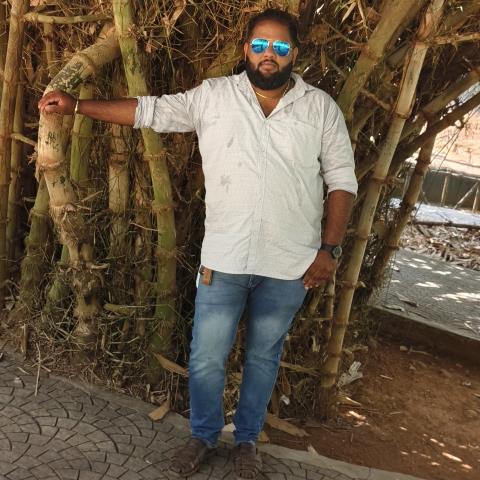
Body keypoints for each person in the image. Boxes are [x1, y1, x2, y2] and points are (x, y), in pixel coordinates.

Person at [38, 8, 357, 479]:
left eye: (280, 47)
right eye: (260, 45)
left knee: (263, 357)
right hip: (225, 257)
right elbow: (149, 111)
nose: (269, 54)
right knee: (207, 356)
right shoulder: (215, 96)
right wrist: (78, 106)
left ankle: (247, 442)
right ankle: (204, 436)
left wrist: (329, 250)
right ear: (246, 49)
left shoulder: (320, 108)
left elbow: (342, 182)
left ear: (295, 53)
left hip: (290, 263)